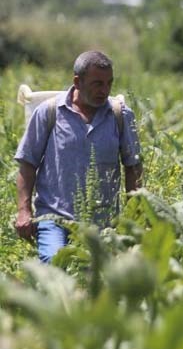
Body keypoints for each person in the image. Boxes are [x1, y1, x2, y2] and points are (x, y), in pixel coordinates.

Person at [14, 50, 143, 263]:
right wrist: (24, 211)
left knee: (100, 277)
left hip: (103, 222)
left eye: (109, 83)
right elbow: (28, 164)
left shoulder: (120, 115)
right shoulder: (49, 112)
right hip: (54, 217)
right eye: (97, 83)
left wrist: (134, 216)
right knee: (54, 262)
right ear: (77, 81)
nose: (105, 90)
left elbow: (133, 167)